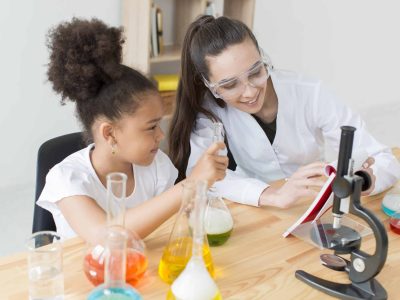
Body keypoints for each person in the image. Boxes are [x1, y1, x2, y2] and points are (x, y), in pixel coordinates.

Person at [169, 15, 400, 208]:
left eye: (255, 72)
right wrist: (272, 196)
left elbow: (383, 159)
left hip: (314, 201)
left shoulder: (310, 93)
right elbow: (203, 175)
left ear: (263, 58)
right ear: (209, 85)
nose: (249, 92)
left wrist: (360, 181)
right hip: (257, 207)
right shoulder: (209, 110)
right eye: (230, 85)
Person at [37, 18, 228, 244]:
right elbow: (108, 237)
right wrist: (191, 184)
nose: (161, 135)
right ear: (110, 134)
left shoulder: (157, 166)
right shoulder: (67, 178)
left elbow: (170, 230)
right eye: (151, 127)